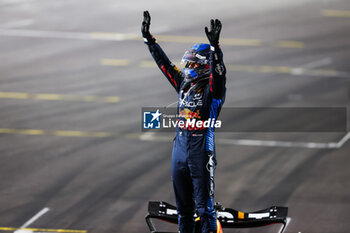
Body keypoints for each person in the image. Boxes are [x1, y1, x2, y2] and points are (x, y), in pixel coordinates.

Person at [141, 10, 226, 233]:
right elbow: (165, 66)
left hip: (201, 153)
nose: (187, 69)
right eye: (187, 64)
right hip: (179, 151)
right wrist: (149, 40)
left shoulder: (214, 93)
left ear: (203, 67)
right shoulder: (183, 85)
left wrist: (216, 50)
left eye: (192, 65)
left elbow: (219, 76)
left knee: (205, 210)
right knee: (183, 212)